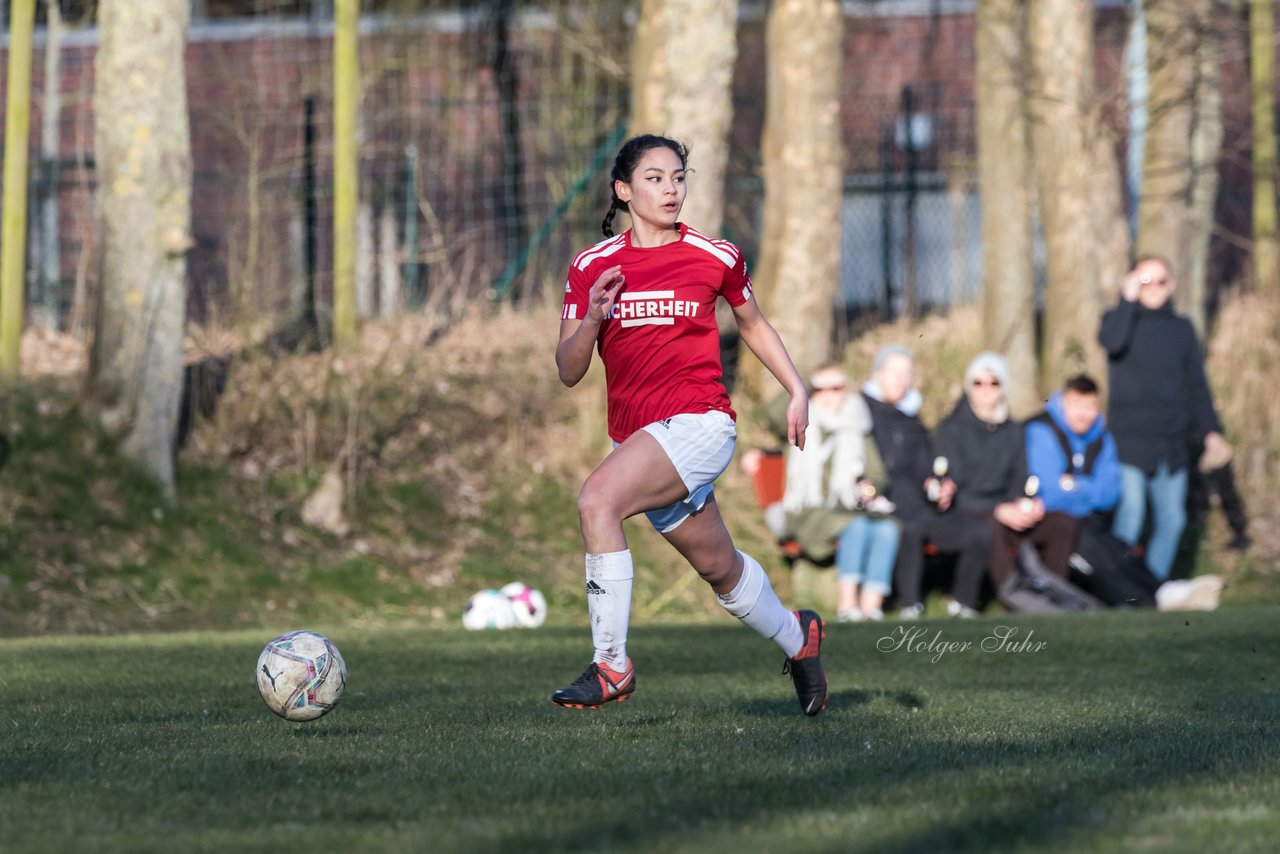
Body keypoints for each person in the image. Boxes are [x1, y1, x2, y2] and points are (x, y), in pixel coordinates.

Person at [553, 134, 827, 716]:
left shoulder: (715, 255)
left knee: (597, 501)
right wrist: (594, 320)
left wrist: (797, 388)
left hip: (702, 423)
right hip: (639, 439)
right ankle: (798, 639)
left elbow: (752, 325)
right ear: (623, 191)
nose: (671, 188)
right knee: (720, 569)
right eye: (654, 178)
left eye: (678, 177)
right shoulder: (592, 267)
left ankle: (611, 664)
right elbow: (569, 369)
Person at [1026, 374, 1221, 611]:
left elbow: (1109, 493)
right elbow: (1051, 495)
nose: (1083, 414)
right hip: (1054, 524)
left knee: (1119, 549)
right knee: (1094, 552)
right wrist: (1087, 489)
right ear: (1063, 403)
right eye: (1077, 405)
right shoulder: (1041, 431)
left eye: (1090, 407)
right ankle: (1152, 601)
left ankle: (1164, 589)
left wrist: (1073, 485)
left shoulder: (1101, 438)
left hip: (1089, 523)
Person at [1098, 254, 1231, 581]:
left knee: (1172, 520)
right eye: (1146, 281)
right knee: (1130, 517)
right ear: (1133, 283)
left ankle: (1149, 590)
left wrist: (1211, 432)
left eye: (1161, 281)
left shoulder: (1182, 329)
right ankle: (1121, 592)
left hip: (1171, 443)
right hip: (1128, 442)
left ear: (1171, 285)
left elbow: (1197, 386)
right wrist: (1126, 300)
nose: (1154, 288)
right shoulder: (1119, 320)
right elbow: (1111, 343)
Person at [753, 364, 899, 623]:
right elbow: (773, 414)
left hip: (849, 508)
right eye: (823, 389)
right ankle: (847, 605)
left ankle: (871, 607)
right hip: (806, 512)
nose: (831, 394)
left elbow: (877, 474)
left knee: (888, 528)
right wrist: (805, 382)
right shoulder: (799, 421)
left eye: (838, 387)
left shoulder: (856, 424)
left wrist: (869, 487)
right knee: (856, 526)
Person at [935, 352, 1078, 610]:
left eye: (994, 382)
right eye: (978, 382)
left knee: (1062, 522)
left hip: (1007, 510)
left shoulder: (1014, 431)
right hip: (971, 513)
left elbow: (1020, 478)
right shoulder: (950, 430)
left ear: (1003, 387)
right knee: (989, 526)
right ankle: (1014, 598)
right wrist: (998, 510)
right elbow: (954, 489)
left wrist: (1026, 504)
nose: (986, 389)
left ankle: (1057, 593)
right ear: (969, 387)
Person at [861, 345, 992, 619]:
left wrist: (938, 485)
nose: (902, 379)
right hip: (883, 505)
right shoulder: (861, 414)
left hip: (921, 506)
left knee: (978, 533)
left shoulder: (913, 420)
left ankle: (962, 604)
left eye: (907, 373)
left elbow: (925, 468)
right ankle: (911, 605)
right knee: (909, 529)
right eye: (894, 372)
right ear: (877, 375)